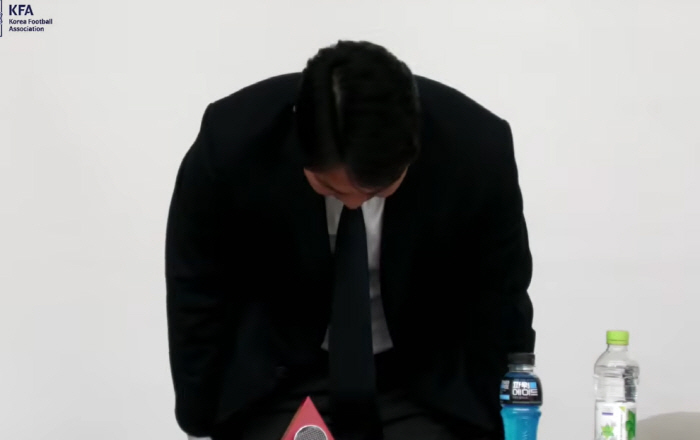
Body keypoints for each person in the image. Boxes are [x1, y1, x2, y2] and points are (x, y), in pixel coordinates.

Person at [165, 40, 536, 440]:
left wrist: (505, 419)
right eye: (331, 189)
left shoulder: (478, 149)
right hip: (279, 371)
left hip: (425, 376)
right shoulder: (232, 141)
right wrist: (200, 418)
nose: (355, 202)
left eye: (377, 190)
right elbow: (197, 284)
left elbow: (501, 295)